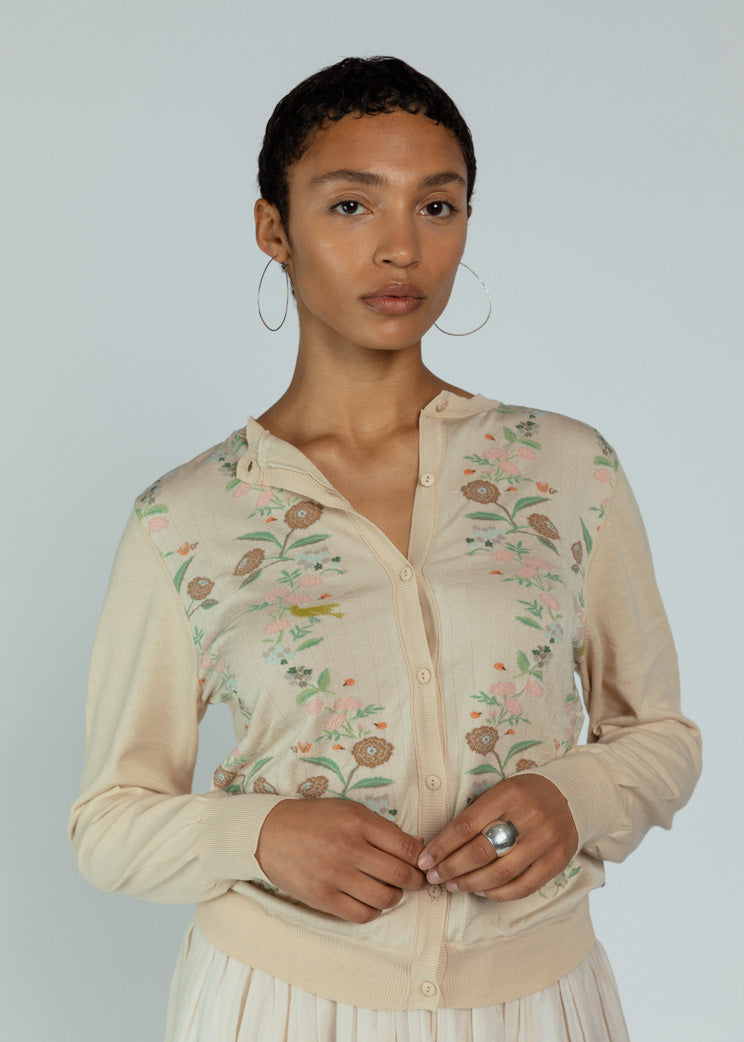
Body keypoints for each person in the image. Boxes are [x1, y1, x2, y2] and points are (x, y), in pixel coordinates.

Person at [69, 56, 702, 1041]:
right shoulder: (186, 518)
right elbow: (109, 821)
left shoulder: (567, 469)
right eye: (352, 205)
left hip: (537, 998)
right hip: (277, 1003)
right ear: (273, 228)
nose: (402, 248)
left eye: (437, 207)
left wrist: (574, 795)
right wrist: (260, 835)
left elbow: (660, 735)